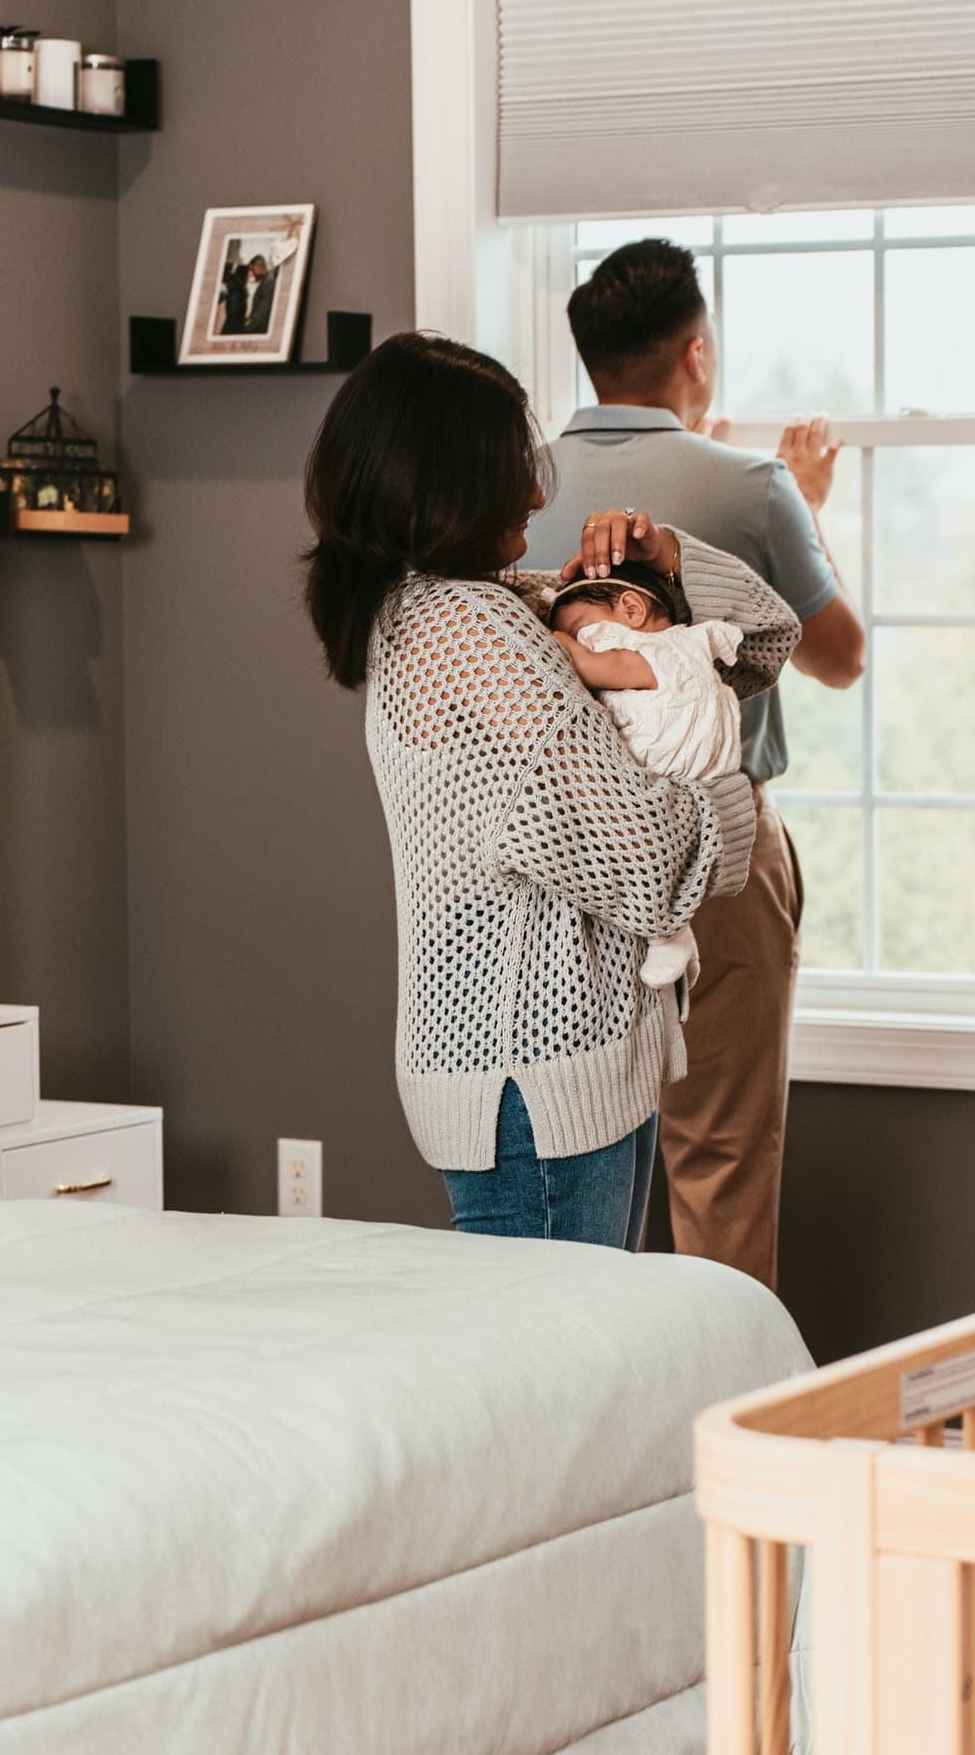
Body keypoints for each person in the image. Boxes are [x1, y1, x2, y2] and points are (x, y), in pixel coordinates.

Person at [302, 329, 798, 1248]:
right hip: (537, 1084)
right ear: (447, 480)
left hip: (544, 1078)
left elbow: (762, 640)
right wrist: (744, 805)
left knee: (566, 1363)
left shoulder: (464, 606)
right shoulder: (472, 630)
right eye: (512, 464)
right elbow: (646, 860)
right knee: (560, 1375)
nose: (537, 489)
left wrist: (671, 557)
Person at [544, 238, 865, 1290]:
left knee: (577, 1138)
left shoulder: (520, 484)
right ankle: (721, 1438)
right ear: (696, 350)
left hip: (562, 845)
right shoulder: (753, 485)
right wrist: (802, 502)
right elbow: (838, 657)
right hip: (712, 839)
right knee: (718, 1147)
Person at [544, 560, 744, 990]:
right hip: (697, 778)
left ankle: (667, 930)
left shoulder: (661, 653)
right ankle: (671, 928)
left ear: (632, 610)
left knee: (626, 841)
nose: (579, 639)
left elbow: (588, 667)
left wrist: (557, 639)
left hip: (664, 774)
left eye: (582, 628)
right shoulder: (690, 651)